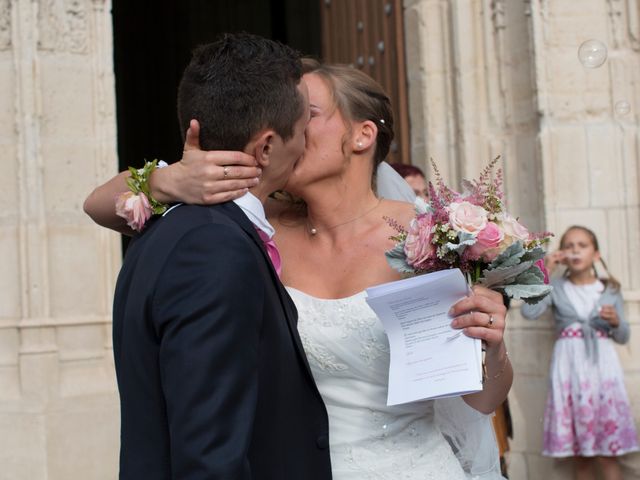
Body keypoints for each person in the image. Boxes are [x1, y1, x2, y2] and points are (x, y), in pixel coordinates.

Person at [85, 58, 512, 479]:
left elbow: (477, 402)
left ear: (362, 135)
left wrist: (491, 346)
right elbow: (97, 205)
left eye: (306, 113)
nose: (292, 124)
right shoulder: (250, 227)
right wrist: (168, 180)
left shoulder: (426, 236)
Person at [104, 34, 332, 479]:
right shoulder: (213, 249)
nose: (306, 143)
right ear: (266, 147)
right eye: (303, 129)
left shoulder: (169, 226)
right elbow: (209, 457)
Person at [521, 226, 639, 480]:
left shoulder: (609, 290)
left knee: (609, 453)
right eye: (569, 245)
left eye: (582, 245)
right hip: (570, 374)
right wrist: (545, 271)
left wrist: (617, 322)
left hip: (603, 374)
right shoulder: (555, 287)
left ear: (595, 254)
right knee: (582, 455)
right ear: (562, 253)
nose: (575, 250)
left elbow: (624, 337)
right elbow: (529, 313)